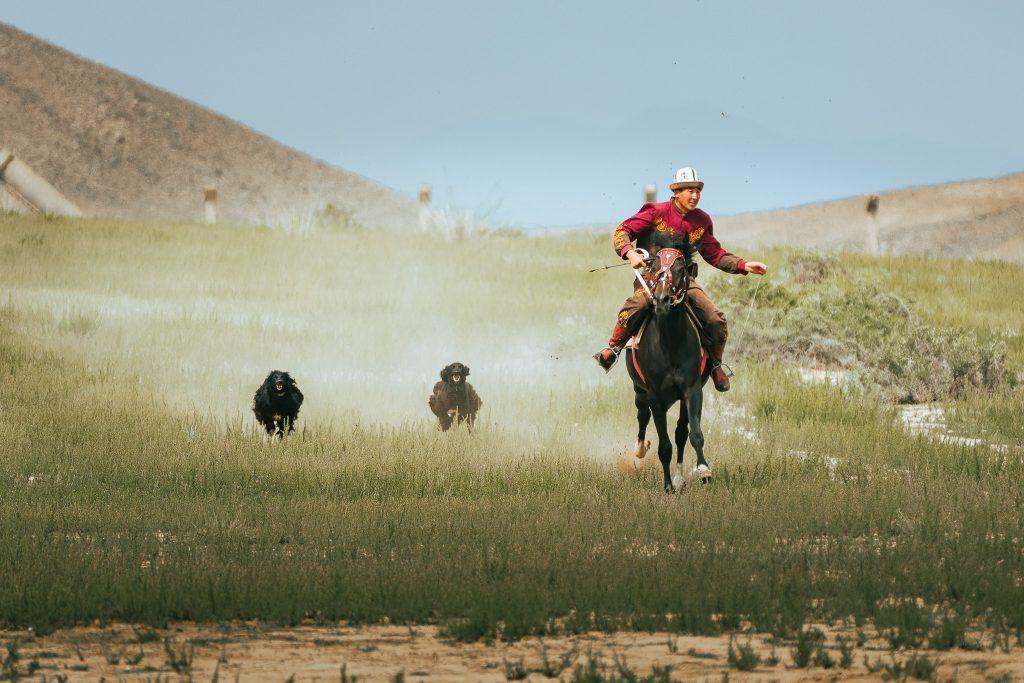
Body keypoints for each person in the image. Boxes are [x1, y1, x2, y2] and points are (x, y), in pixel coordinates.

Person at [593, 167, 768, 391]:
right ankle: (613, 349)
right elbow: (622, 231)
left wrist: (744, 265)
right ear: (676, 192)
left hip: (684, 281)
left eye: (697, 191)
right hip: (651, 278)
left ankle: (715, 365)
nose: (694, 196)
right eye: (688, 190)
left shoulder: (701, 221)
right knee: (638, 304)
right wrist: (630, 252)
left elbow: (714, 253)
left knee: (715, 319)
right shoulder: (654, 212)